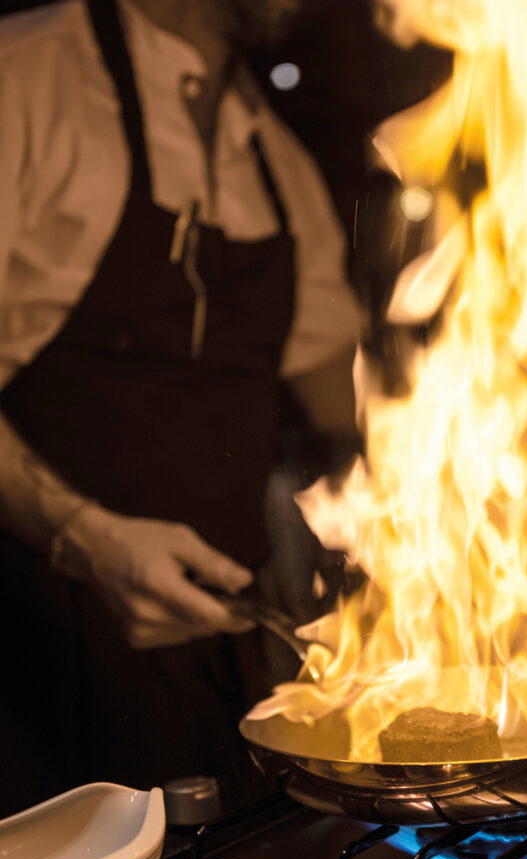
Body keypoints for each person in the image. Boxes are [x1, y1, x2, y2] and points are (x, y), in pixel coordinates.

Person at [0, 0, 361, 816]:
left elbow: (343, 398)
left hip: (214, 658)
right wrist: (82, 536)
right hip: (28, 663)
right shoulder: (24, 80)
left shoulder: (272, 153)